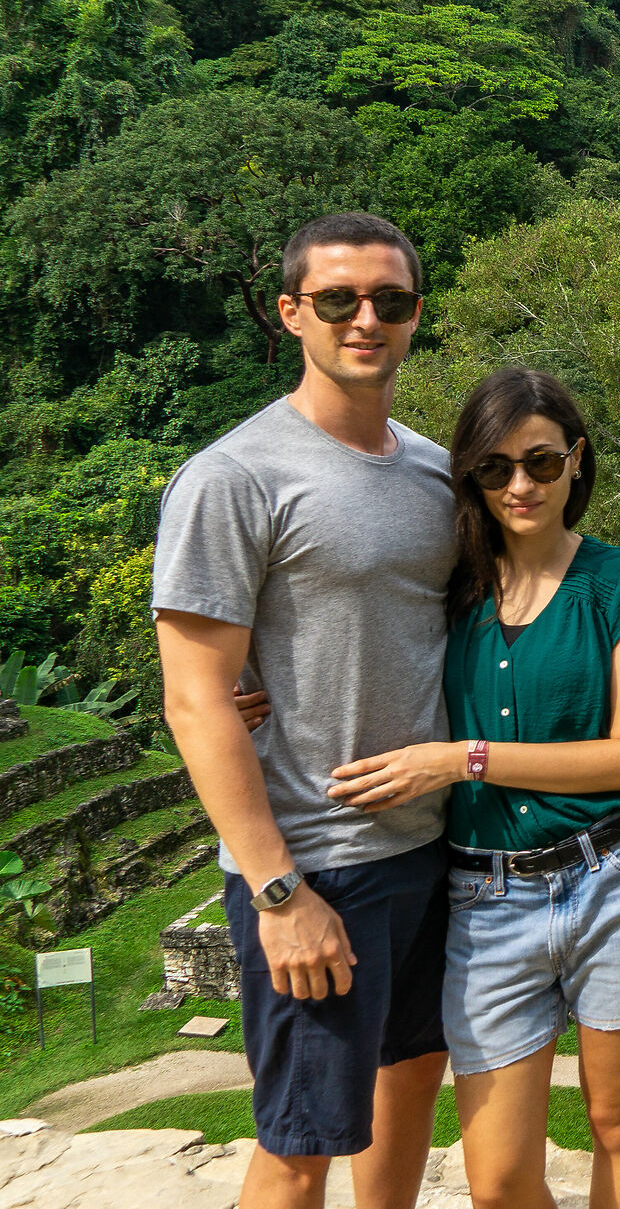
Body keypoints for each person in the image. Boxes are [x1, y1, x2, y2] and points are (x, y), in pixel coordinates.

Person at [326, 367, 620, 1209]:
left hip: (616, 876)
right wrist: (254, 691)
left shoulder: (618, 581)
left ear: (577, 459)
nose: (521, 485)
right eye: (495, 468)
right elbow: (339, 631)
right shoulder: (448, 588)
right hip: (488, 896)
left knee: (618, 1121)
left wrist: (463, 760)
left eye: (541, 461)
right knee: (497, 1178)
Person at [154, 213, 457, 1209]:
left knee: (410, 1084)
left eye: (389, 300)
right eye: (338, 300)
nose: (365, 319)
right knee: (301, 1139)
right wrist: (279, 894)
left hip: (430, 844)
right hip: (318, 861)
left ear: (415, 314)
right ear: (292, 312)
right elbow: (197, 696)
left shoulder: (435, 469)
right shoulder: (235, 476)